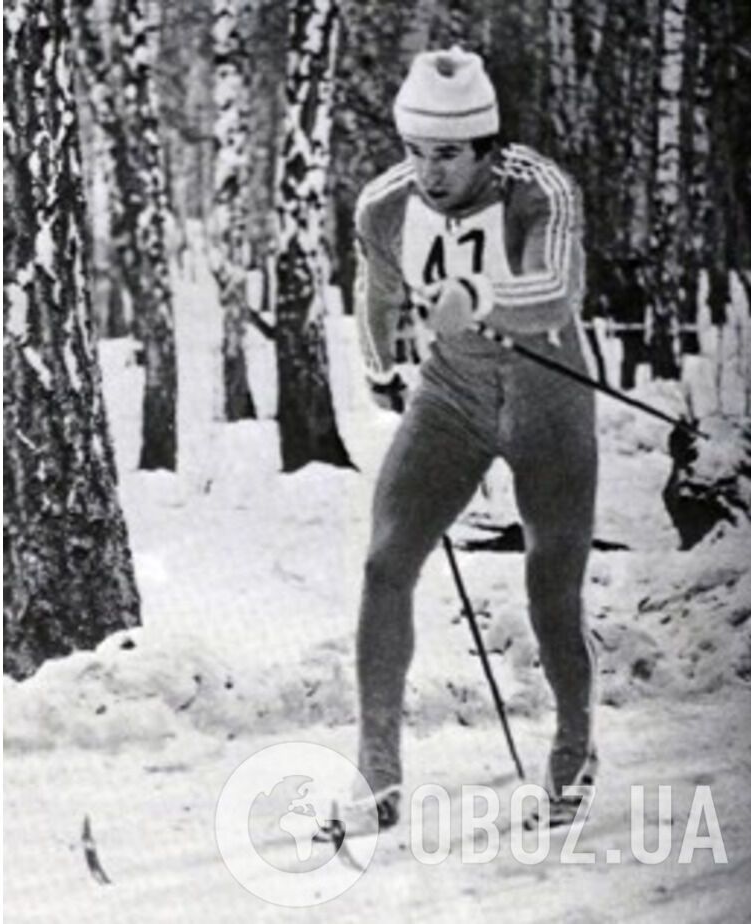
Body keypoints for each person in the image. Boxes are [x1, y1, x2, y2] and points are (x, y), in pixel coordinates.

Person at [347, 49, 597, 833]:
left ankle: (575, 749)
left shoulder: (538, 188)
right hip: (451, 397)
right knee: (386, 561)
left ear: (486, 146)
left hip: (546, 393)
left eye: (448, 155)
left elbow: (558, 289)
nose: (429, 172)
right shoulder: (385, 205)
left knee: (550, 584)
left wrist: (478, 293)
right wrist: (379, 361)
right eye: (416, 151)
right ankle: (376, 772)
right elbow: (377, 289)